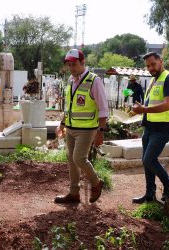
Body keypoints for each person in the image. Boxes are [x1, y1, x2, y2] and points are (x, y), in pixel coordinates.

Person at [55, 49, 108, 204]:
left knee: (79, 158)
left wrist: (101, 132)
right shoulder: (71, 81)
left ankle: (97, 183)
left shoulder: (94, 81)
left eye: (74, 64)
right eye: (69, 65)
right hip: (71, 127)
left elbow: (103, 109)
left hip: (86, 129)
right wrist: (63, 123)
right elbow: (69, 107)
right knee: (72, 161)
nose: (71, 68)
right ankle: (74, 193)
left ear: (83, 63)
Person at [132, 52, 169, 204]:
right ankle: (150, 193)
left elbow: (167, 104)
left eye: (153, 64)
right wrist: (139, 109)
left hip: (163, 127)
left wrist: (144, 110)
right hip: (150, 127)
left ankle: (168, 183)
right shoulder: (154, 80)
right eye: (147, 65)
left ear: (161, 61)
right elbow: (151, 103)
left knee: (149, 159)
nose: (150, 68)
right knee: (146, 161)